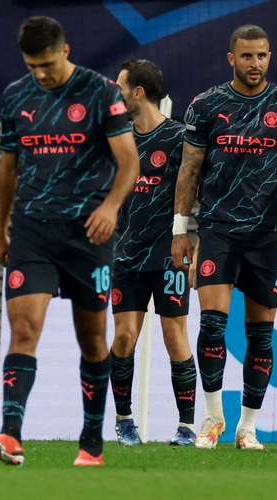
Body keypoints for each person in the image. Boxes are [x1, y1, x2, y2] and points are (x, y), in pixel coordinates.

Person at [0, 16, 139, 466]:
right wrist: (0, 227)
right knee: (24, 330)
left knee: (92, 341)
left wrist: (110, 208)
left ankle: (91, 441)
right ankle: (9, 435)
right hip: (33, 231)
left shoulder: (100, 92)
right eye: (33, 66)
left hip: (87, 234)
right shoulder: (16, 96)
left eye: (48, 64)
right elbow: (9, 167)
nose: (42, 74)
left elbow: (129, 161)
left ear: (66, 50)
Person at [172, 25, 277, 450]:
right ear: (230, 58)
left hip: (267, 237)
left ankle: (247, 427)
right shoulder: (206, 105)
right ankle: (213, 420)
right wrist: (181, 229)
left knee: (261, 336)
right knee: (212, 326)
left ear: (271, 57)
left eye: (262, 56)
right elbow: (189, 169)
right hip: (217, 230)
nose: (256, 64)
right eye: (247, 56)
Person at [109, 59, 196, 446]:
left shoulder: (179, 139)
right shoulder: (117, 138)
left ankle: (188, 426)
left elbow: (197, 193)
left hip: (168, 255)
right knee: (124, 337)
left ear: (137, 92)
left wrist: (195, 243)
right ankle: (125, 421)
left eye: (120, 86)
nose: (116, 91)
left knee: (174, 335)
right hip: (125, 254)